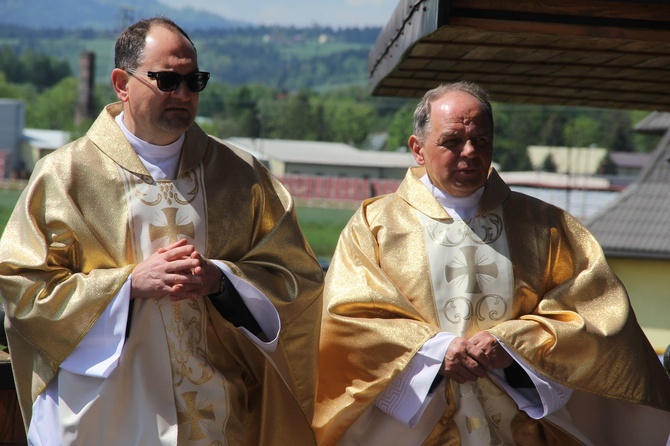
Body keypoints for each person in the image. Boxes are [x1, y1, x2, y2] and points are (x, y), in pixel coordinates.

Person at [0, 16, 324, 445]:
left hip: (216, 412)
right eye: (167, 80)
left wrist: (222, 281)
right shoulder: (65, 176)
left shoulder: (241, 175)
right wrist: (128, 285)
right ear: (121, 82)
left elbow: (298, 280)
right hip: (107, 414)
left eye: (195, 81)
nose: (184, 95)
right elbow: (22, 285)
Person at [314, 81, 670, 445]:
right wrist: (434, 353)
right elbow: (347, 317)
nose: (469, 151)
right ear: (418, 149)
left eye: (481, 141)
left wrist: (513, 347)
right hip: (418, 431)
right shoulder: (375, 224)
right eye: (452, 141)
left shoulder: (545, 225)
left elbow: (595, 316)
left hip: (520, 429)